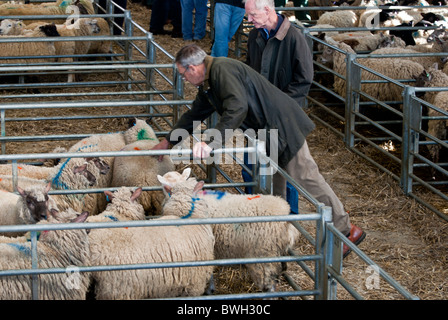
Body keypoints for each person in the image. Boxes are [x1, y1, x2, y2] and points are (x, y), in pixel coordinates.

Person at [151, 44, 366, 258]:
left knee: (307, 176)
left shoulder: (221, 71)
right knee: (274, 188)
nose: (184, 80)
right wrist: (169, 141)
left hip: (281, 126)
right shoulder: (210, 83)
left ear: (193, 68)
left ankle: (346, 230)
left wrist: (209, 142)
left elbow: (238, 107)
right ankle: (277, 241)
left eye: (183, 74)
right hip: (266, 132)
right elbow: (196, 113)